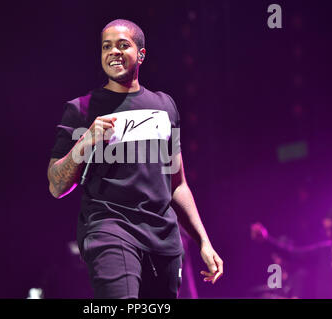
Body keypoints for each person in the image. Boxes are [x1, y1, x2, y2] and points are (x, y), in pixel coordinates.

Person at [47, 19, 223, 299]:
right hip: (109, 229)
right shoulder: (80, 110)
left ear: (141, 54)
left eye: (123, 45)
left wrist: (203, 240)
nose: (113, 52)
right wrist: (86, 140)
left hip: (163, 238)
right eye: (106, 46)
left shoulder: (165, 106)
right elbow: (56, 185)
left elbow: (177, 184)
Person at [250, 205, 332, 298]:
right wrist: (266, 240)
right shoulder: (323, 251)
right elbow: (293, 254)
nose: (329, 234)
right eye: (327, 229)